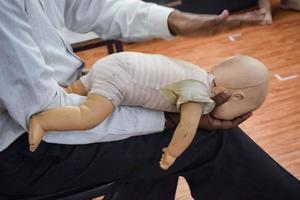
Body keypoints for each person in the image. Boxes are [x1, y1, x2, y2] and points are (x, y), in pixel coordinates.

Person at [0, 0, 299, 200]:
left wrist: (175, 20)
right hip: (24, 148)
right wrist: (166, 119)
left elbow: (90, 6)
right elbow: (43, 112)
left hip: (65, 96)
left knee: (163, 148)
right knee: (204, 141)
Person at [28, 53, 269, 172]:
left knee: (77, 94)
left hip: (115, 63)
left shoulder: (195, 73)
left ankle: (63, 95)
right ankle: (43, 120)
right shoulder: (198, 94)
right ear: (236, 97)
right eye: (242, 111)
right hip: (119, 80)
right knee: (88, 116)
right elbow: (187, 128)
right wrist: (172, 154)